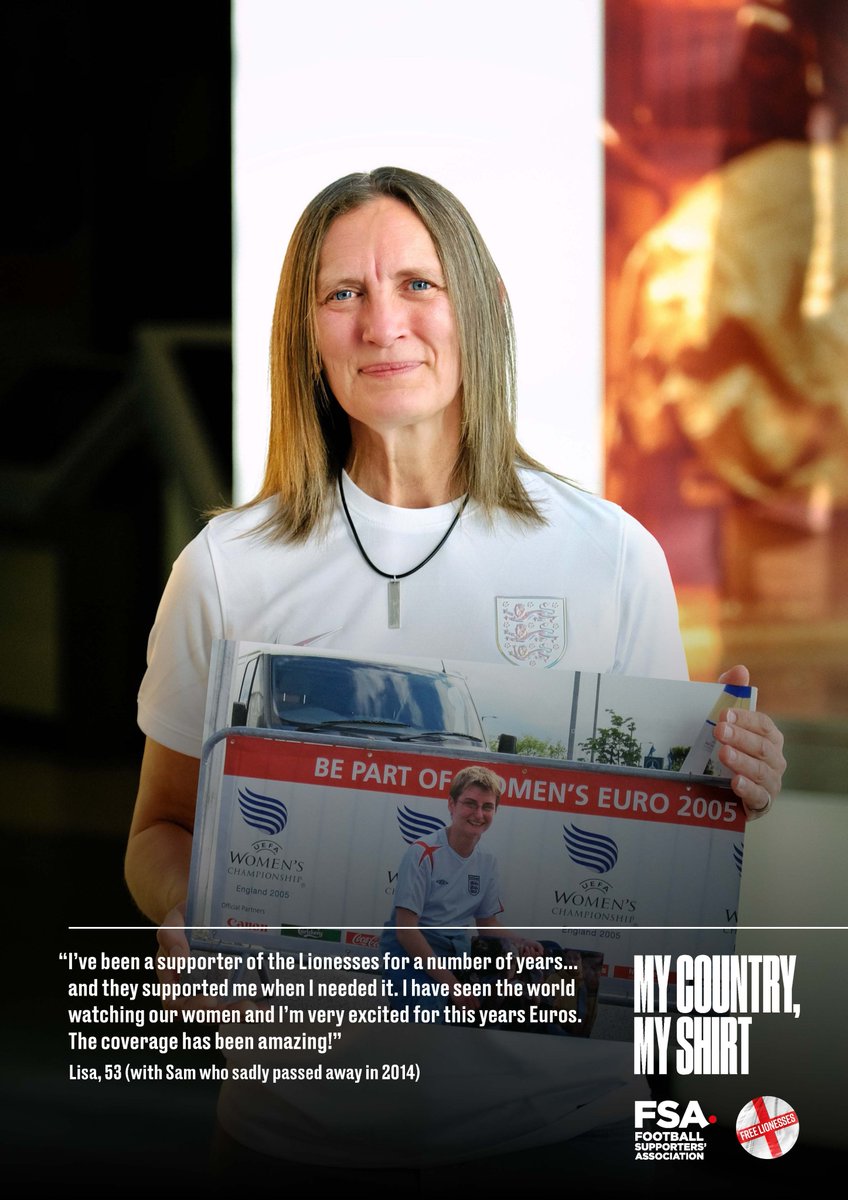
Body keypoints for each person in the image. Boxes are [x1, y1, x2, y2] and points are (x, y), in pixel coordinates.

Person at [126, 166, 786, 1185]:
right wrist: (187, 915)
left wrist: (728, 784)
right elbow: (157, 829)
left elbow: (659, 855)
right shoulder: (226, 566)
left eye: (416, 285)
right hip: (291, 1139)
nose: (381, 322)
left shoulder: (608, 554)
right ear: (306, 335)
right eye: (341, 293)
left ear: (478, 308)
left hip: (566, 1132)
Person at [381, 764, 543, 1016]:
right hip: (410, 950)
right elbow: (406, 931)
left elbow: (486, 921)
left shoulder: (487, 860)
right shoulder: (422, 852)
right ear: (451, 805)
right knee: (427, 1009)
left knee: (495, 1009)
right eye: (470, 803)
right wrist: (452, 985)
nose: (478, 814)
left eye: (487, 807)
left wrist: (520, 941)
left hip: (456, 950)